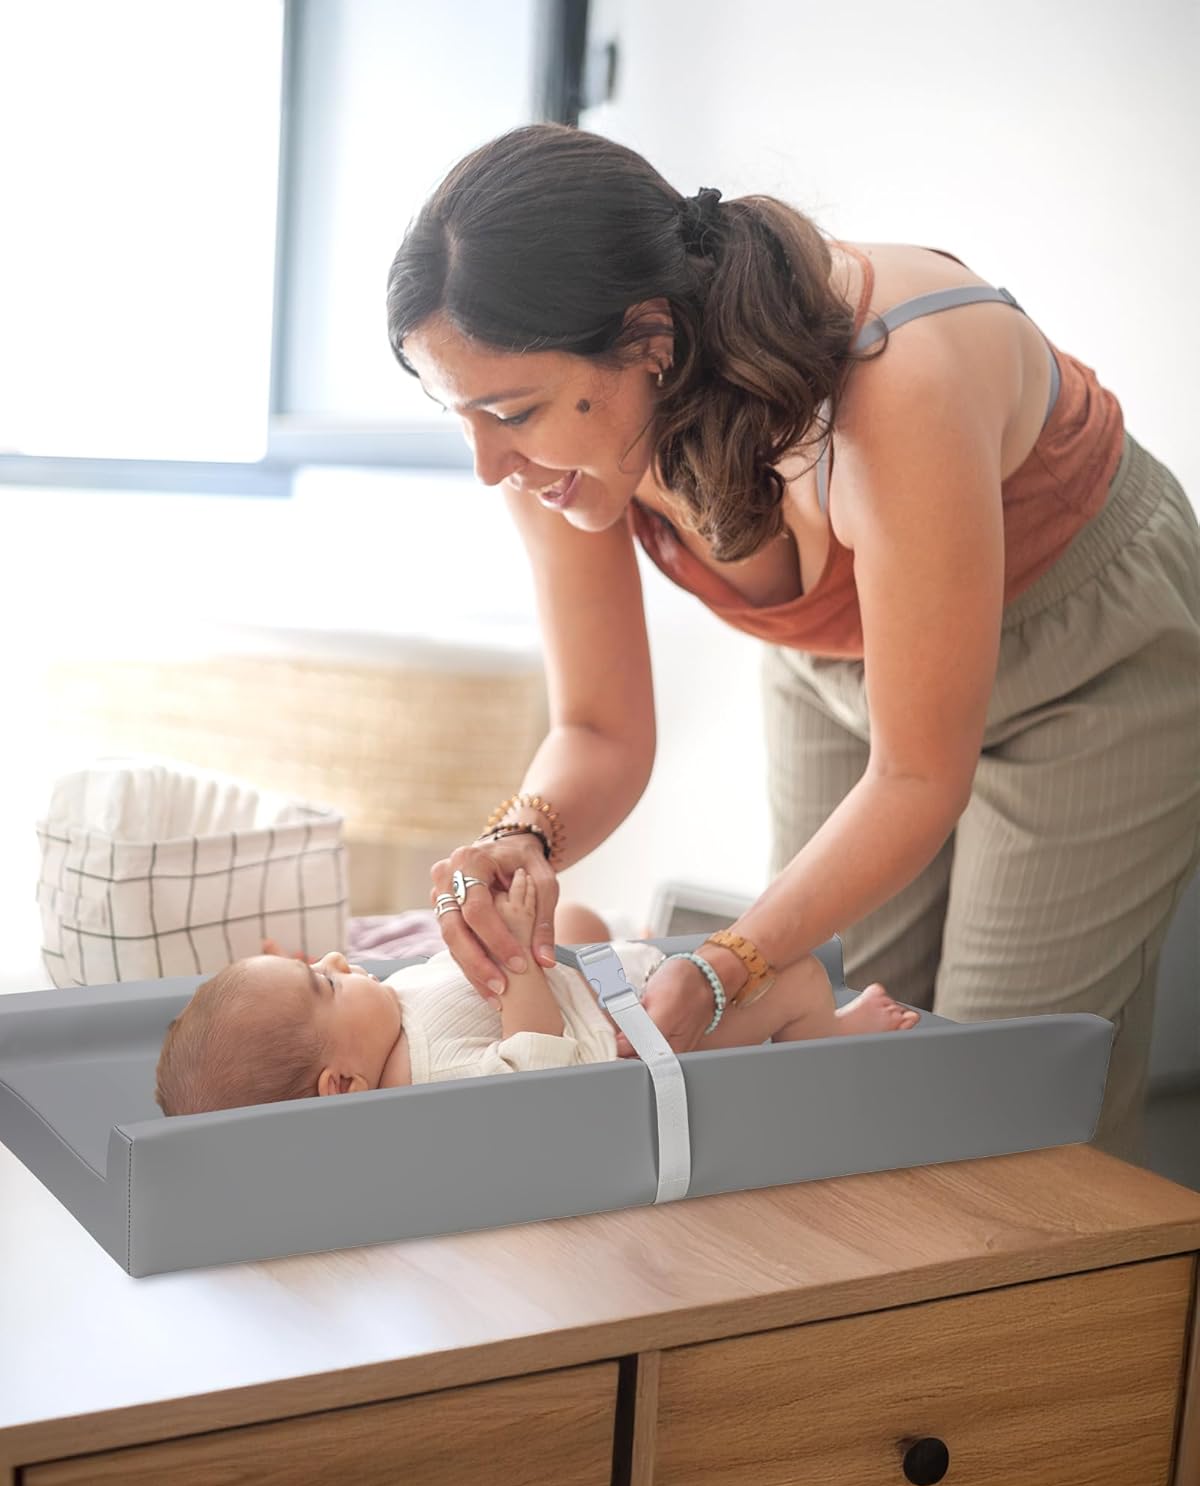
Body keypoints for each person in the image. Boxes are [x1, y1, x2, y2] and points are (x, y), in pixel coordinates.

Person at [386, 123, 1200, 1168]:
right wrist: (523, 840)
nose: (488, 463)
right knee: (836, 1057)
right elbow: (598, 729)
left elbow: (916, 775)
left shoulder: (897, 382)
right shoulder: (563, 447)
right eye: (460, 415)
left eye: (511, 411)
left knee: (999, 1109)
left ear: (649, 340)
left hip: (1083, 651)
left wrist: (724, 965)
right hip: (838, 666)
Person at [153, 870, 917, 1116]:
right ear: (341, 1083)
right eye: (324, 983)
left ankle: (645, 943)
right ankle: (832, 1042)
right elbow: (535, 1066)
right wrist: (518, 961)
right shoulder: (423, 1076)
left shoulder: (383, 1018)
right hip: (642, 1040)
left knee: (581, 918)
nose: (334, 959)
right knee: (799, 977)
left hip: (605, 989)